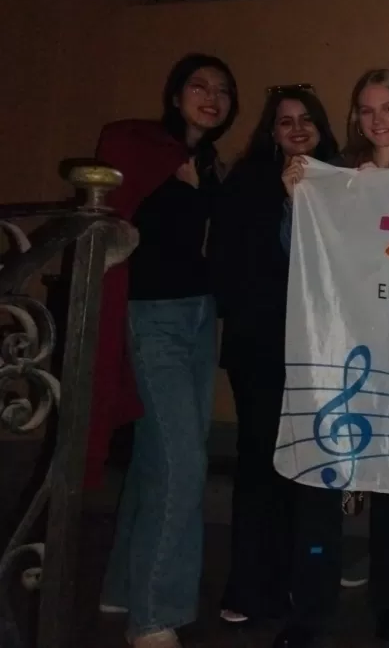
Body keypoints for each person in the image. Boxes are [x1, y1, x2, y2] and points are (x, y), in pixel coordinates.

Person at [273, 70, 389, 648]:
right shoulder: (333, 177)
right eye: (366, 110)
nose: (378, 120)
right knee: (321, 478)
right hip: (338, 349)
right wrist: (298, 203)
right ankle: (310, 610)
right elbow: (299, 257)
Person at [97, 54, 239, 648]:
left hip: (199, 316)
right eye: (199, 86)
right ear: (174, 93)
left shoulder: (211, 166)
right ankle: (153, 615)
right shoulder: (142, 145)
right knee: (183, 461)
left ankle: (122, 587)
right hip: (150, 315)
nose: (211, 97)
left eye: (223, 91)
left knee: (162, 457)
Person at [210, 87, 339, 626]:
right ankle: (247, 583)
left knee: (311, 469)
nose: (297, 129)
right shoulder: (248, 182)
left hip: (323, 348)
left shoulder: (342, 178)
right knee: (261, 462)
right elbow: (238, 261)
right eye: (285, 121)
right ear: (271, 131)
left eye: (307, 119)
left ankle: (303, 584)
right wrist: (288, 202)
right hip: (263, 346)